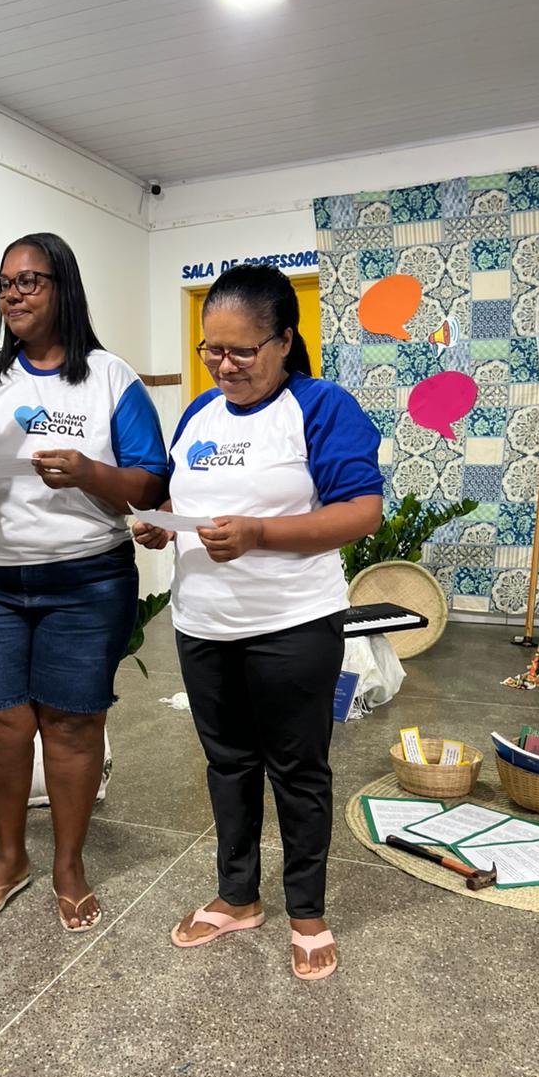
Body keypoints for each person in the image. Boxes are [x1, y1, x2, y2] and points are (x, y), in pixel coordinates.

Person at [133, 265, 383, 980]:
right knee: (228, 764)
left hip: (292, 624)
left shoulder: (321, 407)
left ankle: (307, 911)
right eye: (212, 349)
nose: (224, 365)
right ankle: (237, 896)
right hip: (204, 624)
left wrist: (260, 534)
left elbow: (362, 512)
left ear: (284, 342)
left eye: (242, 350)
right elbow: (182, 495)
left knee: (297, 770)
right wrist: (162, 524)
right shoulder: (199, 415)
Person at [0, 232, 167, 931]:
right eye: (5, 284)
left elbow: (150, 485)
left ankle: (68, 864)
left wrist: (90, 473)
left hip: (88, 581)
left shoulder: (111, 379)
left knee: (72, 722)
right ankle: (10, 857)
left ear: (63, 286)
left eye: (29, 281)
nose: (14, 294)